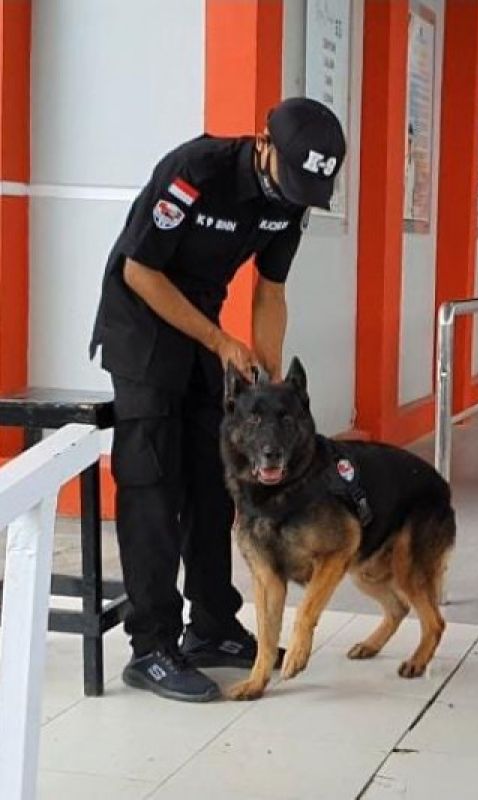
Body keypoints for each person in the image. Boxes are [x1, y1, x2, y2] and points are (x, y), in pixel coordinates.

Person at [89, 97, 346, 702]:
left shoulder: (291, 204)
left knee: (217, 482)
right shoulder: (196, 171)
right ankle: (151, 646)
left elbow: (271, 291)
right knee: (153, 484)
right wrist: (219, 339)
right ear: (264, 144)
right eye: (292, 179)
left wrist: (271, 380)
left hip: (204, 328)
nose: (295, 195)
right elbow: (139, 272)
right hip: (142, 328)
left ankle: (213, 626)